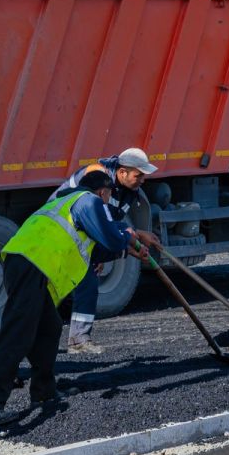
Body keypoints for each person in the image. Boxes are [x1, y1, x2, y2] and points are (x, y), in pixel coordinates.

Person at [0, 171, 145, 427]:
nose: (108, 202)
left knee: (50, 328)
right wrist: (128, 237)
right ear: (103, 192)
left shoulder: (67, 204)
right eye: (109, 195)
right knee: (17, 334)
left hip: (28, 264)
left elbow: (100, 247)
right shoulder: (88, 201)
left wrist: (127, 249)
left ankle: (43, 393)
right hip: (30, 263)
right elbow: (110, 238)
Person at [50, 147, 160, 354]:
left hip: (85, 231)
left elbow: (112, 222)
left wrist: (104, 250)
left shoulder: (128, 190)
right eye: (139, 175)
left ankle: (79, 340)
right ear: (122, 172)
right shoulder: (97, 176)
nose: (143, 180)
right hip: (66, 228)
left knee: (89, 280)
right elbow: (94, 217)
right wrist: (128, 241)